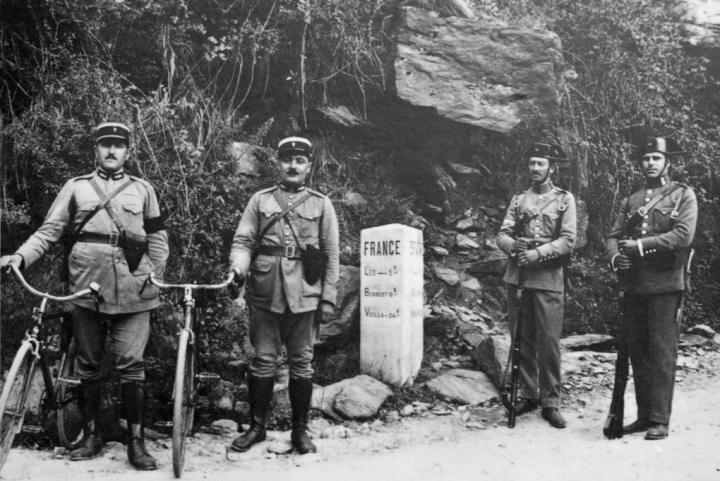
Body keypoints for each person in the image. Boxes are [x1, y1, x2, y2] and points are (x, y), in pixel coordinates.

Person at [0, 122, 169, 470]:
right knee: (88, 365)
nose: (111, 151)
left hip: (135, 288)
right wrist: (20, 256)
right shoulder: (76, 187)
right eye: (105, 145)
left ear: (128, 151)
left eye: (118, 146)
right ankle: (91, 435)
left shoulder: (143, 189)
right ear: (95, 149)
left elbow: (157, 237)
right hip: (86, 286)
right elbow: (49, 232)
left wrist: (155, 276)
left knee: (130, 364)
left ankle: (136, 443)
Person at [228, 136, 339, 454]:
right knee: (263, 362)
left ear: (308, 167)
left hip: (305, 292)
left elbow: (331, 255)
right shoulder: (260, 201)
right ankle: (257, 427)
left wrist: (328, 298)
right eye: (287, 159)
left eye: (299, 160)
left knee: (302, 364)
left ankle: (300, 431)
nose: (293, 165)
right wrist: (238, 268)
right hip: (265, 290)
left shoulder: (321, 204)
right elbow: (244, 241)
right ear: (278, 163)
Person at [606, 137, 697, 440]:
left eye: (656, 158)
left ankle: (660, 418)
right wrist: (617, 257)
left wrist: (640, 246)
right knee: (638, 352)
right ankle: (644, 415)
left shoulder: (683, 195)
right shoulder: (631, 200)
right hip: (635, 285)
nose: (650, 163)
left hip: (666, 284)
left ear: (667, 162)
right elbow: (613, 236)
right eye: (646, 158)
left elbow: (683, 236)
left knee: (661, 351)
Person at [496, 142, 577, 429]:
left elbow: (568, 240)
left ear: (551, 167)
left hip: (548, 277)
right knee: (521, 338)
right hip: (518, 276)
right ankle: (528, 395)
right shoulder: (519, 200)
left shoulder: (565, 200)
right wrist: (512, 246)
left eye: (540, 163)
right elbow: (502, 235)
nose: (535, 168)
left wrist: (537, 253)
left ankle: (550, 401)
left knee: (549, 341)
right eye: (531, 163)